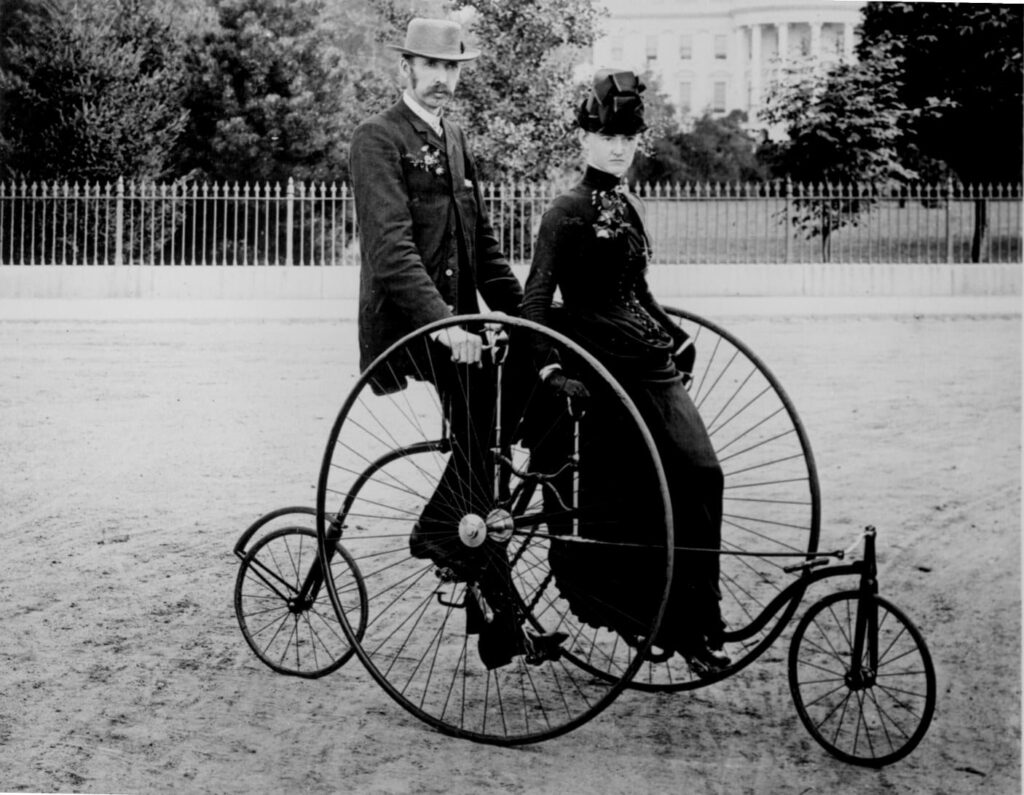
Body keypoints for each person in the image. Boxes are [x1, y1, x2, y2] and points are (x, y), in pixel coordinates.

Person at [349, 18, 560, 668]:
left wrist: (530, 316)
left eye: (453, 68)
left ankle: (498, 619)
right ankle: (439, 532)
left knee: (492, 435)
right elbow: (392, 253)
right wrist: (448, 325)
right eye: (432, 67)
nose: (444, 80)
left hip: (457, 324)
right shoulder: (377, 140)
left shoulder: (458, 138)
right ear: (407, 67)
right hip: (407, 325)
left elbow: (485, 246)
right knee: (477, 429)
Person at [521, 68, 731, 676]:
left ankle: (696, 617)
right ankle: (670, 625)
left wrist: (673, 332)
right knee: (647, 496)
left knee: (704, 475)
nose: (618, 147)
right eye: (606, 135)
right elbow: (535, 301)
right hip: (605, 371)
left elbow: (638, 289)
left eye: (628, 136)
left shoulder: (628, 207)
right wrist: (550, 371)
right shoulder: (564, 211)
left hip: (649, 363)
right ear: (584, 138)